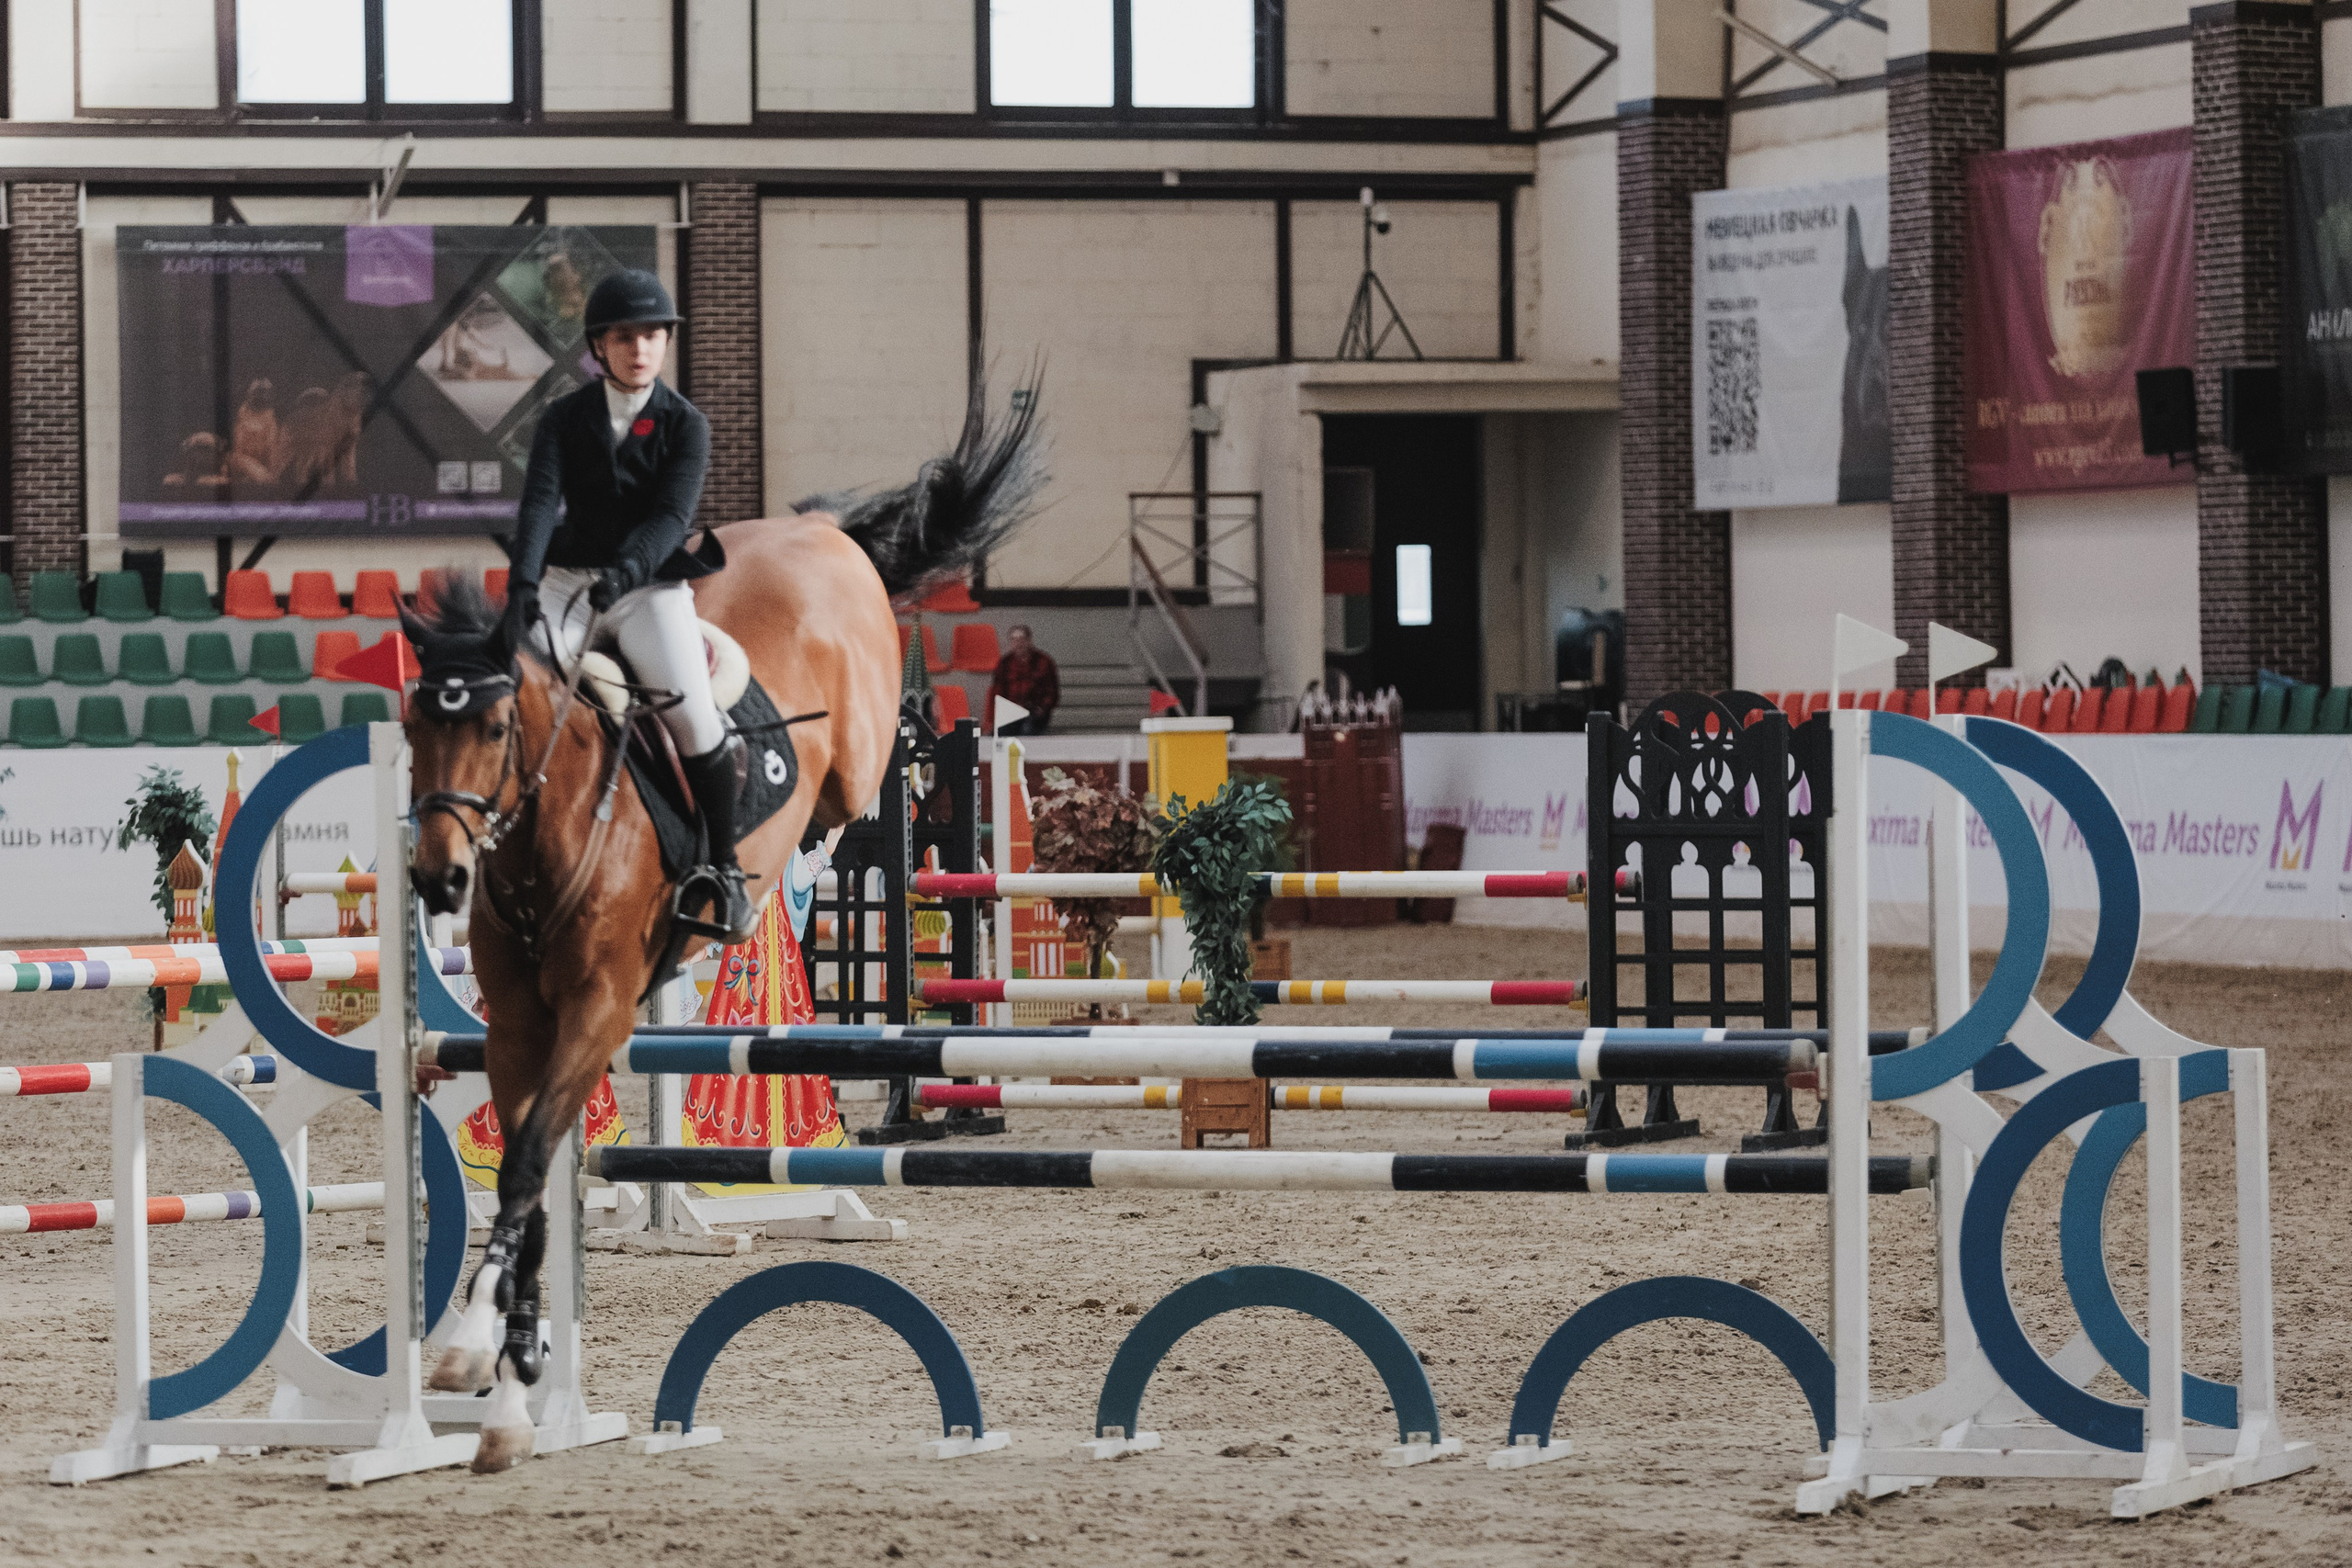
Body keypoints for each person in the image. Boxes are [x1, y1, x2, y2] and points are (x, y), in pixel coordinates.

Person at [503, 267, 757, 943]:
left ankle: (723, 869)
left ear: (665, 345)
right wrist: (522, 587)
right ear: (599, 345)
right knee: (516, 691)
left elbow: (673, 516)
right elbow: (537, 505)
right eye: (624, 336)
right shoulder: (563, 418)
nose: (640, 348)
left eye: (652, 335)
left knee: (693, 713)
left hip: (646, 587)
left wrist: (628, 570)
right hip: (566, 581)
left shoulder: (687, 424)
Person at [987, 623, 1059, 735]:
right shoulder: (1004, 663)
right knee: (999, 733)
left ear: (1029, 641)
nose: (1018, 644)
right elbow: (998, 691)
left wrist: (1042, 709)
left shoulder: (1044, 662)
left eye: (1021, 639)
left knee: (1028, 730)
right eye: (1014, 640)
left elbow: (1052, 692)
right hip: (1011, 712)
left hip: (1034, 712)